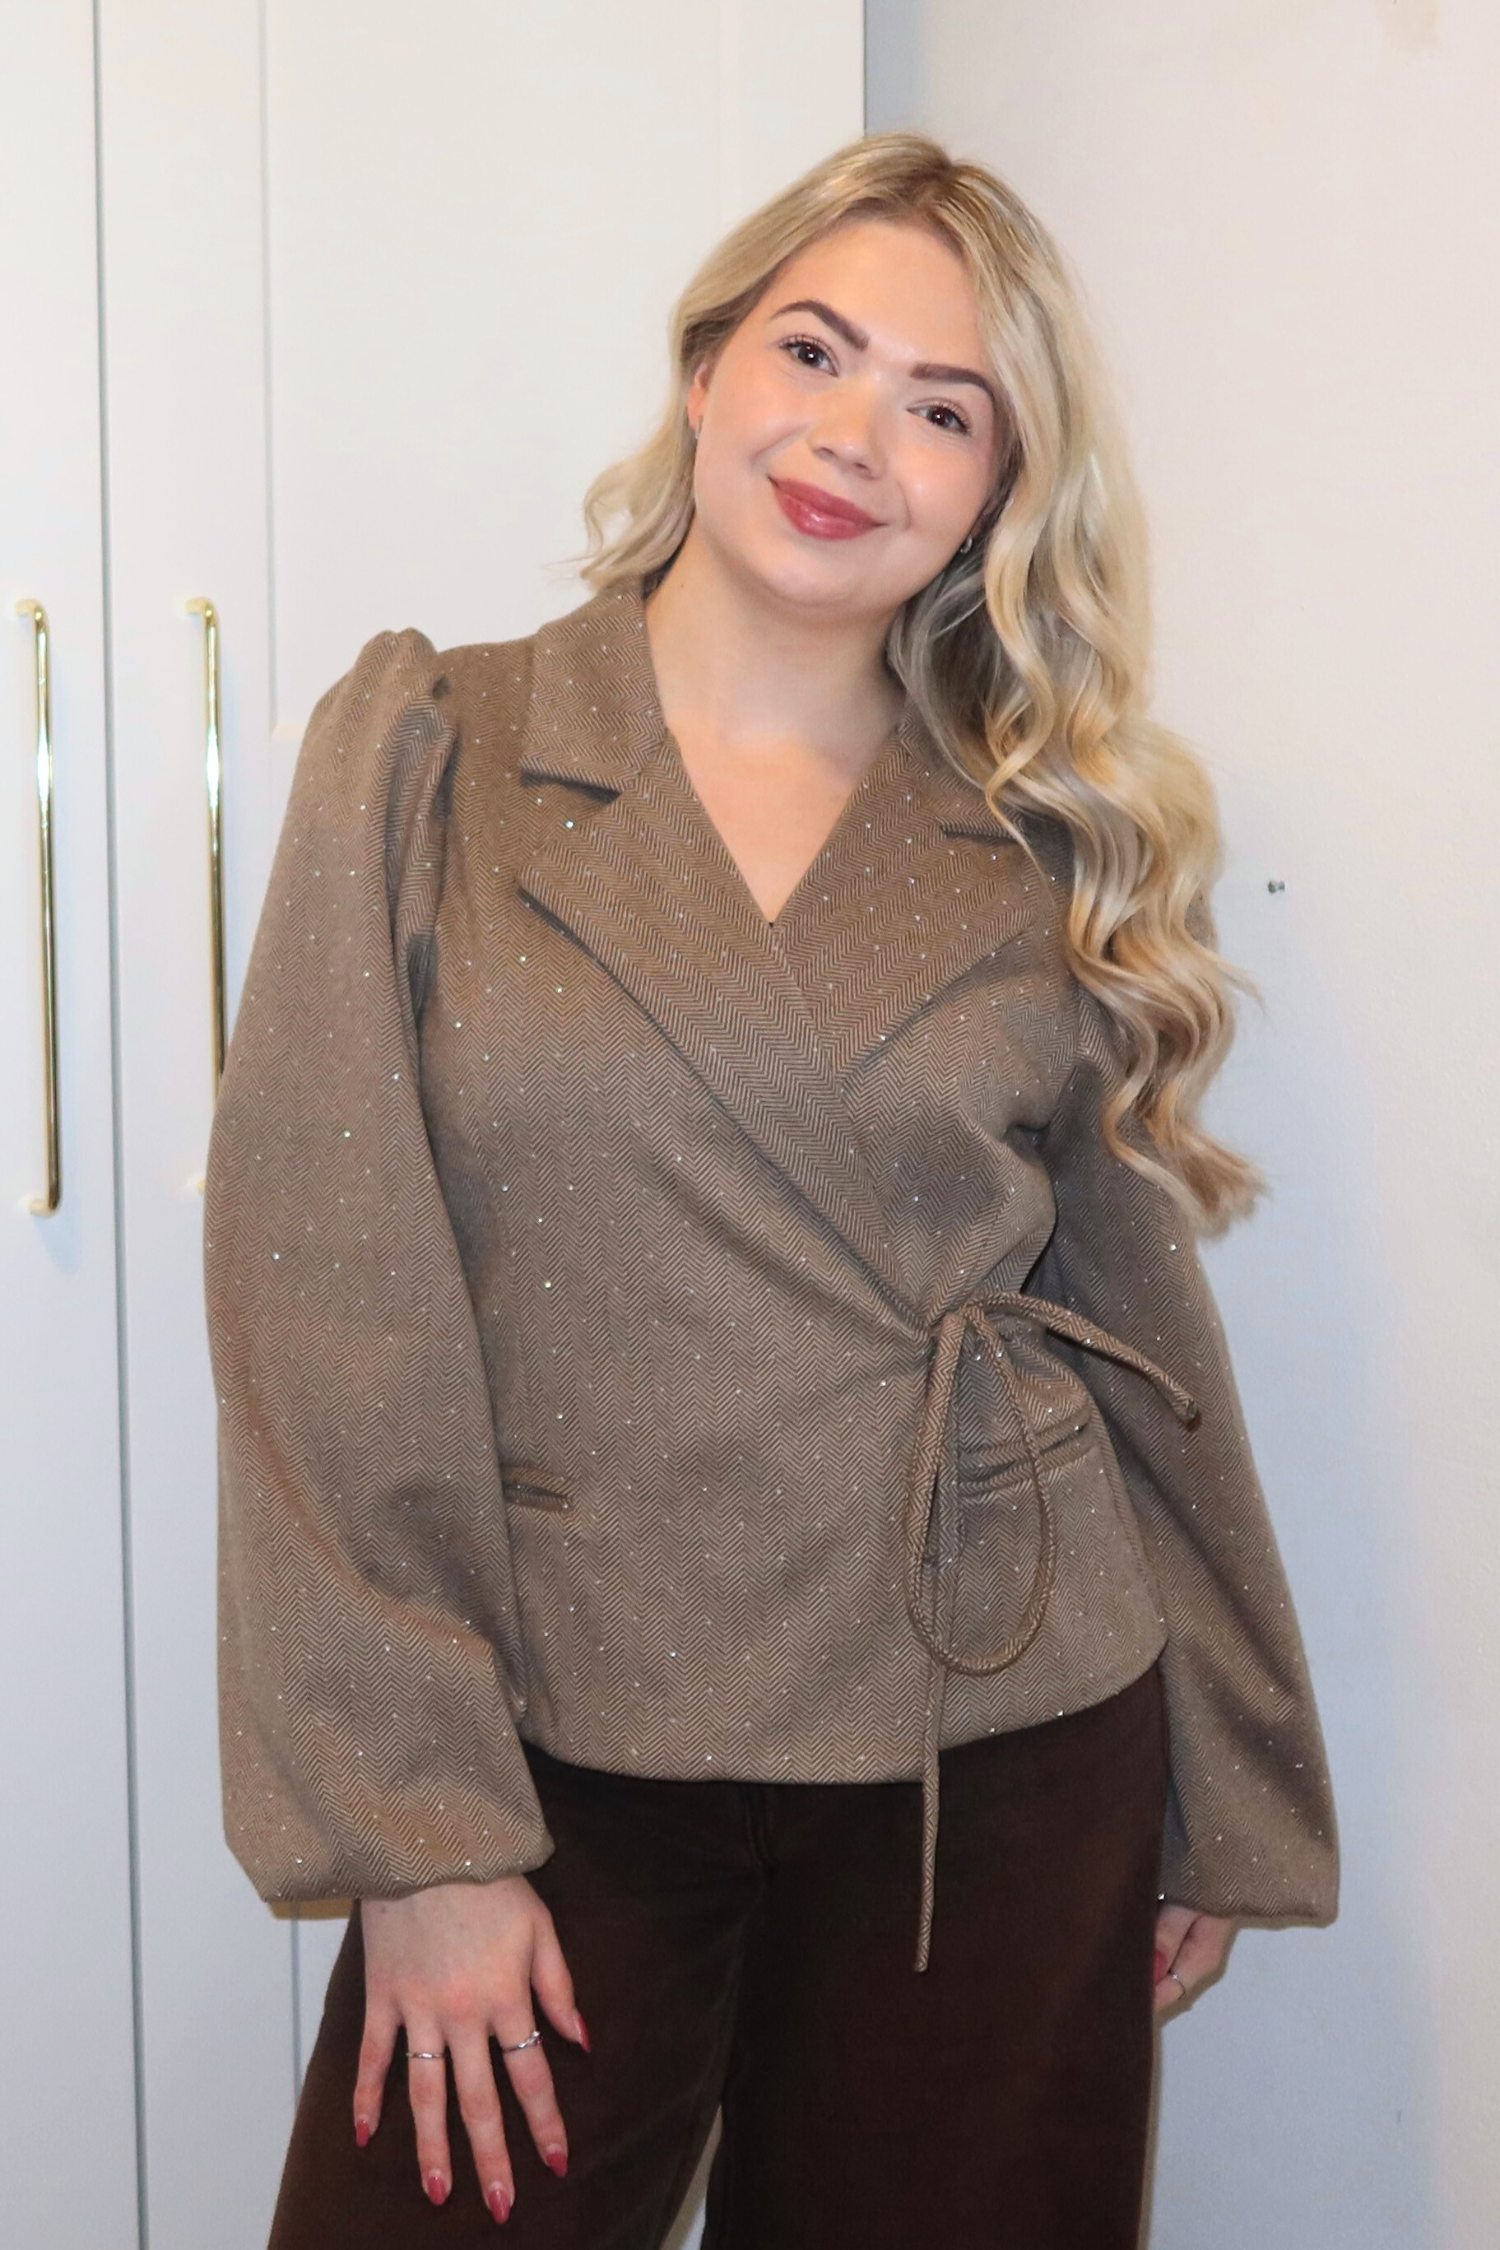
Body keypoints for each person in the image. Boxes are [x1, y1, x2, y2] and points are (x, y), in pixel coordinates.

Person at [204, 132, 1338, 2249]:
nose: (855, 438)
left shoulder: (1039, 841)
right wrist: (416, 1835)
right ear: (706, 365)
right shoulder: (435, 745)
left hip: (995, 1747)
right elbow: (319, 1307)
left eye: (945, 408)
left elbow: (1138, 1329)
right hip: (558, 1743)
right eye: (815, 352)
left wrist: (1231, 1776)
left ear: (998, 492)